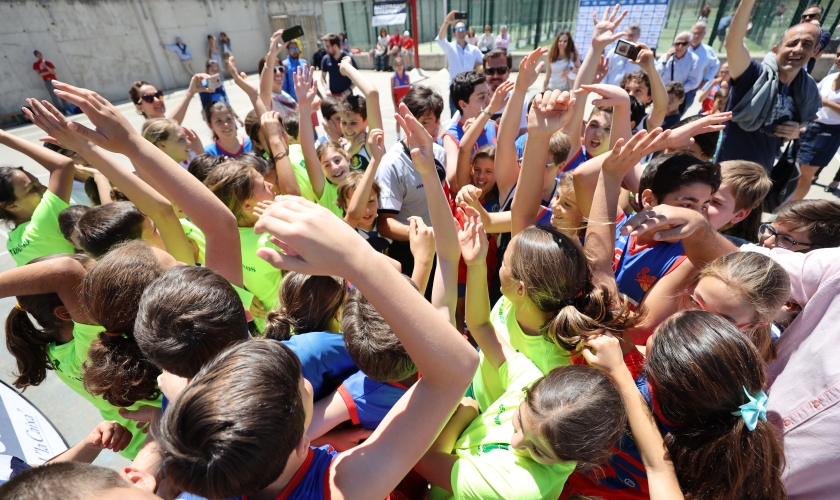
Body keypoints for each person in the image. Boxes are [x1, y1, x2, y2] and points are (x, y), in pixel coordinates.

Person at [717, 0, 822, 172]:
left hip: (762, 177)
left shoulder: (805, 91)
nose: (797, 49)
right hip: (727, 173)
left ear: (815, 51)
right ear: (775, 50)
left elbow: (799, 127)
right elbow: (733, 44)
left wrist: (795, 132)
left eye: (807, 44)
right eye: (791, 43)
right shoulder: (753, 75)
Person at [0, 128, 76, 266]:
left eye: (39, 183)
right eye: (33, 189)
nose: (45, 189)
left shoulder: (12, 242)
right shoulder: (43, 223)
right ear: (11, 205)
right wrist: (3, 136)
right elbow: (63, 165)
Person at [794, 46, 840, 199]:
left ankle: (790, 208)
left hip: (829, 133)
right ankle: (786, 203)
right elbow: (814, 101)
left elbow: (823, 101)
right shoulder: (830, 78)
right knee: (795, 172)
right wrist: (803, 123)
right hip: (811, 127)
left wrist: (828, 103)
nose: (838, 59)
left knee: (805, 177)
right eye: (838, 54)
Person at [437, 10, 485, 115]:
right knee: (455, 119)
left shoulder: (474, 50)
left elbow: (485, 61)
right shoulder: (450, 48)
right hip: (455, 90)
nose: (460, 31)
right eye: (457, 29)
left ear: (466, 31)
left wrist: (479, 68)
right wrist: (446, 22)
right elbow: (440, 40)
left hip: (471, 90)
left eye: (462, 28)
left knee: (472, 117)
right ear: (454, 33)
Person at [656, 32, 702, 116]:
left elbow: (694, 82)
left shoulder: (694, 59)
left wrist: (677, 92)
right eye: (677, 44)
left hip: (681, 95)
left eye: (684, 44)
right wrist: (666, 60)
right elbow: (656, 74)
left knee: (674, 118)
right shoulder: (666, 56)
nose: (680, 47)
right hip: (663, 92)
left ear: (689, 44)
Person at [603, 22, 643, 86]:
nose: (630, 38)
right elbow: (604, 71)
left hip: (630, 90)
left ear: (638, 36)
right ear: (625, 35)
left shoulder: (641, 55)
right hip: (610, 88)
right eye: (629, 35)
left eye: (633, 36)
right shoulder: (613, 52)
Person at [688, 22, 721, 98]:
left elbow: (715, 65)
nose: (696, 36)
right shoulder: (682, 47)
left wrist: (706, 80)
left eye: (700, 33)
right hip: (675, 86)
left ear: (704, 34)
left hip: (692, 90)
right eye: (695, 33)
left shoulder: (707, 50)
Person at [319, 33, 357, 97]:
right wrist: (326, 89)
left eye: (328, 46)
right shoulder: (326, 59)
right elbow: (322, 77)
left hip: (347, 97)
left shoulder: (348, 58)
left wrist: (349, 90)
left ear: (335, 46)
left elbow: (356, 79)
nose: (326, 49)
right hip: (333, 97)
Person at [31, 51, 69, 115]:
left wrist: (45, 65)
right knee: (54, 97)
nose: (39, 57)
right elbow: (40, 74)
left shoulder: (47, 63)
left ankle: (67, 109)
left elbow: (53, 72)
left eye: (40, 55)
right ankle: (60, 111)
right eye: (38, 56)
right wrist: (49, 72)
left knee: (61, 95)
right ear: (36, 57)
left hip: (54, 80)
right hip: (47, 81)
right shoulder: (36, 64)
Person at [801, 5, 831, 74]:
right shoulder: (792, 32)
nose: (807, 18)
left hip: (802, 72)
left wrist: (814, 27)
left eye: (811, 16)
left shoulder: (824, 34)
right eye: (804, 16)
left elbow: (813, 50)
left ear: (819, 17)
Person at [391, 57, 411, 137]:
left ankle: (409, 136)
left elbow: (409, 92)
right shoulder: (393, 78)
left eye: (400, 64)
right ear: (394, 66)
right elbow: (392, 93)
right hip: (398, 104)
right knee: (398, 121)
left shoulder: (407, 76)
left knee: (408, 120)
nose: (399, 66)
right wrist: (395, 106)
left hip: (407, 103)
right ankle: (398, 138)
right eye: (397, 65)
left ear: (403, 65)